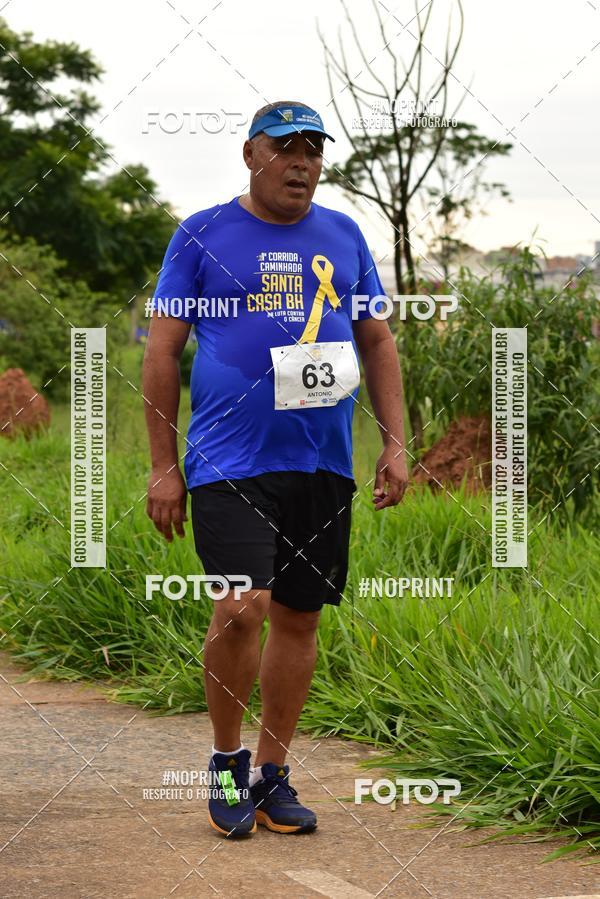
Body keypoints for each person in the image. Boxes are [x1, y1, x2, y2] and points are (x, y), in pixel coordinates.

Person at [143, 100, 408, 837]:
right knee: (239, 606)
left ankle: (272, 774)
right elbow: (161, 353)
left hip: (321, 462)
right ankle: (225, 759)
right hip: (228, 461)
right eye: (286, 148)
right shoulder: (202, 234)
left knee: (298, 614)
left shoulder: (345, 234)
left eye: (314, 150)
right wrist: (164, 466)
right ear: (250, 154)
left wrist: (395, 441)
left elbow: (378, 341)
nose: (302, 163)